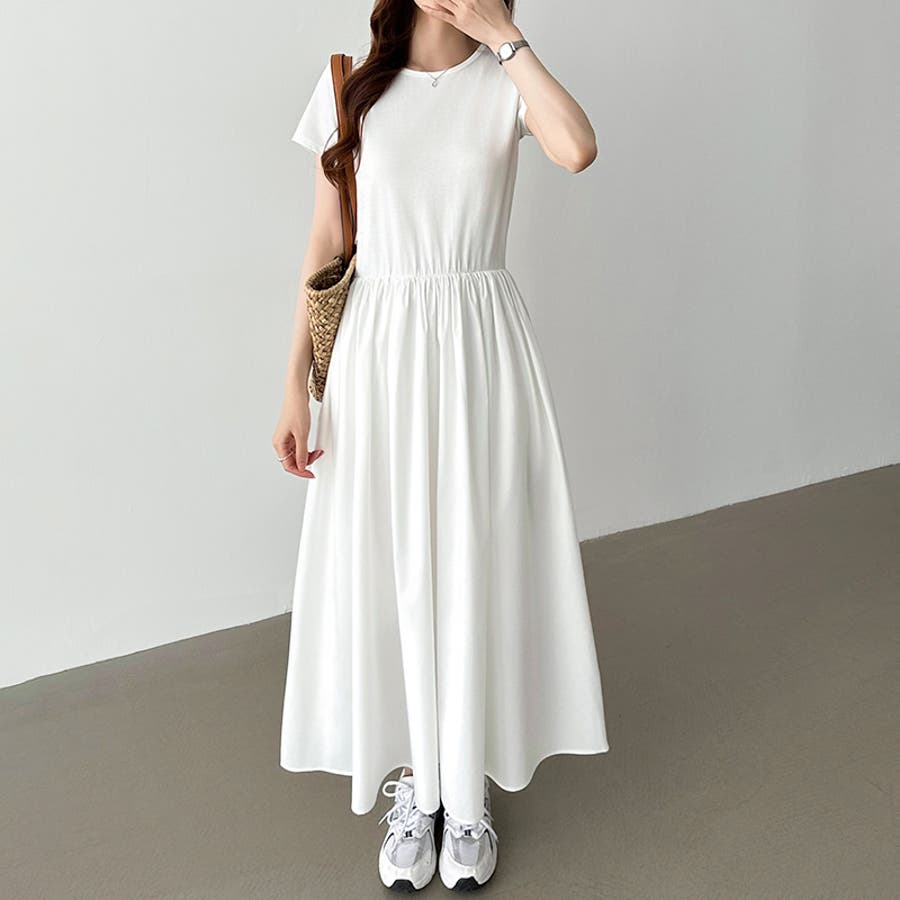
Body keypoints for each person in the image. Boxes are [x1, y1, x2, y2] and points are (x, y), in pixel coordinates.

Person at [274, 0, 609, 891]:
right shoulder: (349, 85)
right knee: (393, 568)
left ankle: (464, 793)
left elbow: (577, 148)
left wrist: (504, 38)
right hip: (376, 353)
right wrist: (295, 387)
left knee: (469, 560)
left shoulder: (506, 81)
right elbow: (326, 239)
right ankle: (418, 783)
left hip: (477, 349)